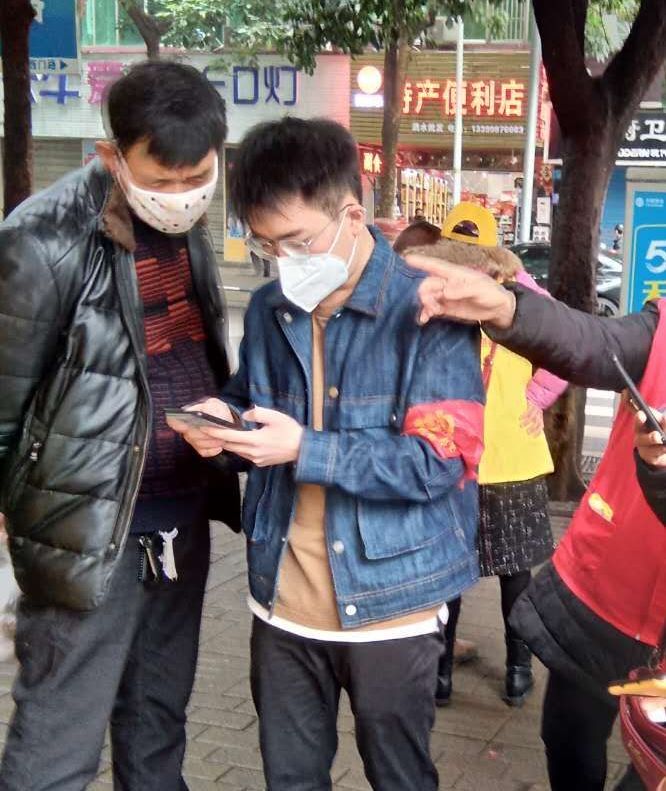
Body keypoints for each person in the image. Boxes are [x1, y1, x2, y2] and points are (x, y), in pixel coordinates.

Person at [167, 116, 485, 790]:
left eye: (297, 241)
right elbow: (252, 402)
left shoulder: (429, 310)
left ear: (351, 214)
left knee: (400, 777)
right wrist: (222, 426)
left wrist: (305, 448)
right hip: (281, 598)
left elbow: (440, 462)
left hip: (393, 603)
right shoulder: (269, 309)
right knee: (290, 778)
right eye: (265, 244)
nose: (283, 261)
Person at [0, 61, 240, 790]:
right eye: (161, 180)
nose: (181, 194)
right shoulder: (40, 240)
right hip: (84, 528)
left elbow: (190, 347)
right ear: (111, 156)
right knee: (59, 736)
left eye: (197, 176)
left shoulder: (191, 226)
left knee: (158, 717)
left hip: (179, 519)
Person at [411, 252, 666, 789]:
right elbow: (593, 341)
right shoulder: (659, 326)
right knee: (567, 738)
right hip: (604, 594)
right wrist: (506, 308)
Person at [395, 204, 567, 708]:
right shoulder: (513, 296)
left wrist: (536, 397)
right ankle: (508, 672)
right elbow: (562, 351)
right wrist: (536, 396)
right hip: (471, 456)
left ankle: (452, 674)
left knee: (463, 571)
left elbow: (563, 352)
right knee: (508, 573)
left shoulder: (495, 295)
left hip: (468, 455)